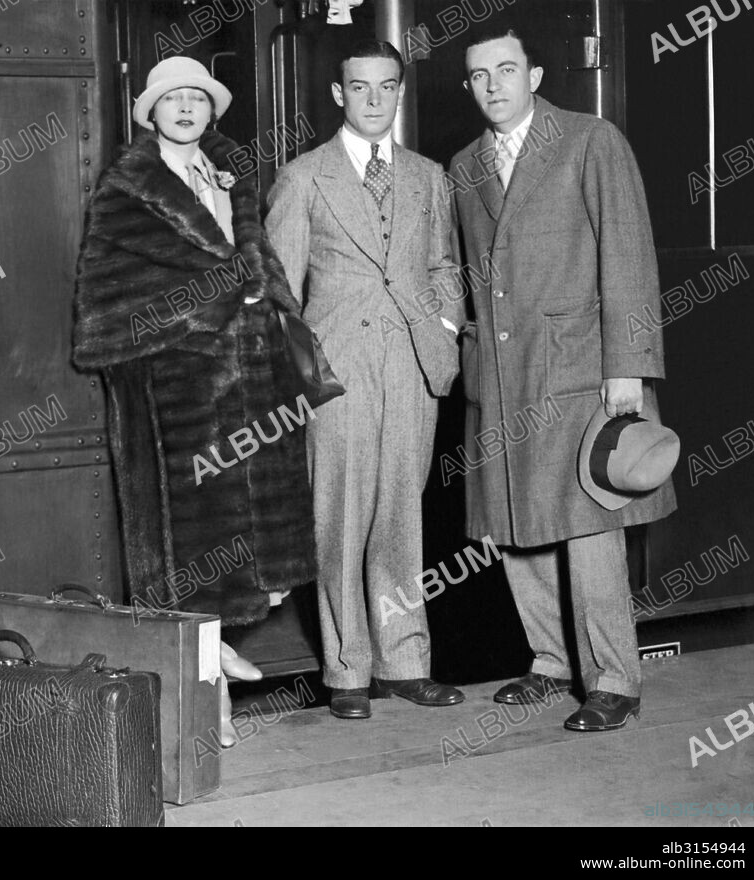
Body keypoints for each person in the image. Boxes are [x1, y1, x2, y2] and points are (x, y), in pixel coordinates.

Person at [72, 57, 316, 745]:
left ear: (212, 111)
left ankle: (218, 658)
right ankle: (211, 696)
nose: (185, 108)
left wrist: (272, 313)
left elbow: (260, 266)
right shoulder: (126, 190)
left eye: (197, 98)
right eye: (171, 98)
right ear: (151, 112)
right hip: (178, 394)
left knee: (256, 553)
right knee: (193, 556)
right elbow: (104, 312)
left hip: (253, 385)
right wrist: (210, 311)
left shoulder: (231, 174)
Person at [450, 21, 676, 731]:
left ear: (535, 76)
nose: (493, 86)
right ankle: (550, 662)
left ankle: (615, 679)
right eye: (479, 75)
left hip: (578, 366)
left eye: (506, 70)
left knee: (587, 522)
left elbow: (628, 252)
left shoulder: (589, 139)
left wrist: (628, 365)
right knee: (517, 520)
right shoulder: (464, 165)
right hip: (501, 370)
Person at [265, 40, 465, 721]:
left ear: (400, 92)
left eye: (387, 87)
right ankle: (347, 670)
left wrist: (443, 330)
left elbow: (443, 266)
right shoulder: (303, 178)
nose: (375, 99)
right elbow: (279, 295)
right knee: (339, 521)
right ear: (338, 94)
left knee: (402, 519)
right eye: (360, 87)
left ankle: (405, 663)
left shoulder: (428, 177)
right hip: (338, 374)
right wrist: (307, 377)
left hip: (411, 367)